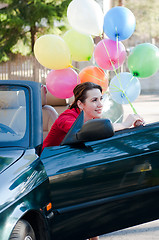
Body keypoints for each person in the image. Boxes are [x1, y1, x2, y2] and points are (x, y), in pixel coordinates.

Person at [42, 82, 144, 240]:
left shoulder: (94, 117)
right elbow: (85, 132)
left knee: (89, 208)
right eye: (94, 100)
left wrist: (133, 128)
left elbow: (106, 134)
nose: (100, 104)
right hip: (48, 171)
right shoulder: (66, 118)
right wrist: (124, 123)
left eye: (101, 99)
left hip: (73, 166)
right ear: (80, 104)